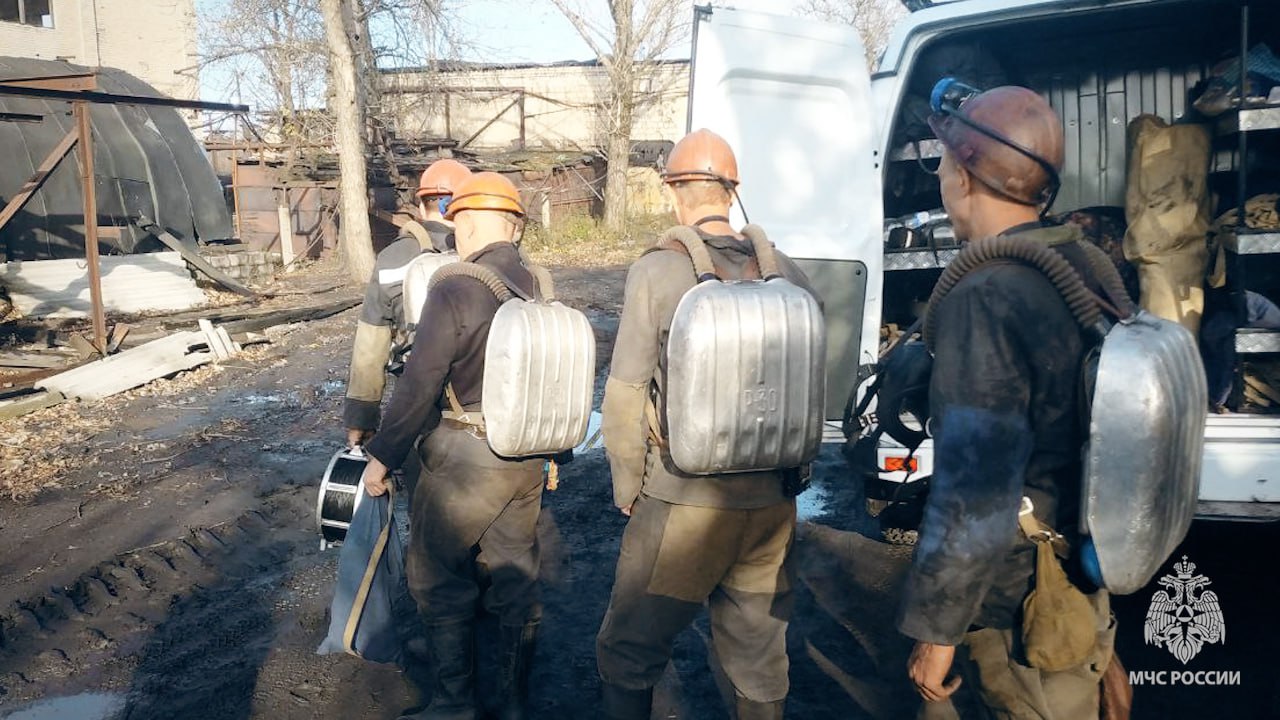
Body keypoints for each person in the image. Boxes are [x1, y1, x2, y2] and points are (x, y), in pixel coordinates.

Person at [898, 85, 1117, 718]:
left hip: (1019, 601)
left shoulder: (986, 295)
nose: (939, 175)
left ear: (964, 176)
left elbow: (976, 490)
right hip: (1077, 575)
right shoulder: (1084, 264)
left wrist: (936, 634)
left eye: (943, 160)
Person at [594, 129, 821, 720]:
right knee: (759, 656)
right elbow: (813, 387)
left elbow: (624, 393)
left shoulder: (658, 272)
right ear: (731, 192)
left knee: (629, 650)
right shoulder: (790, 275)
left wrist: (627, 487)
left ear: (675, 194)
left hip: (681, 505)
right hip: (771, 507)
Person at [360, 172, 543, 720]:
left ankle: (454, 705)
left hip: (466, 457)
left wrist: (383, 455)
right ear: (514, 225)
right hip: (527, 457)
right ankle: (512, 704)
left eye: (458, 219)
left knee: (437, 578)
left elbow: (419, 381)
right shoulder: (535, 282)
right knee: (513, 574)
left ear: (466, 221)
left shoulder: (455, 285)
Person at [343, 158, 472, 449]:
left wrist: (361, 419)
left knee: (424, 484)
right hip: (484, 405)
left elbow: (370, 345)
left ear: (421, 204)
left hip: (417, 406)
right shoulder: (488, 252)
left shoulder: (393, 258)